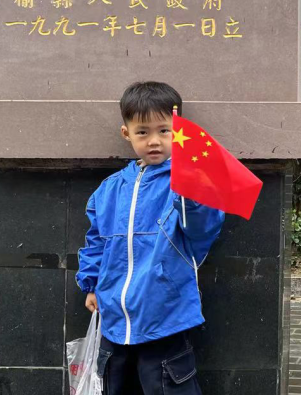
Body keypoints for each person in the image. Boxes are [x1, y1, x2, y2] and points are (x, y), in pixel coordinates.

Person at [76, 81, 225, 395]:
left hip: (165, 316)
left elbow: (202, 230)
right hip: (114, 317)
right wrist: (90, 283)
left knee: (168, 388)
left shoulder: (185, 181)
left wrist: (191, 194)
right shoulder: (110, 188)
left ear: (178, 132)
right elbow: (97, 240)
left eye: (164, 130)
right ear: (126, 133)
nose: (154, 141)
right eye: (142, 132)